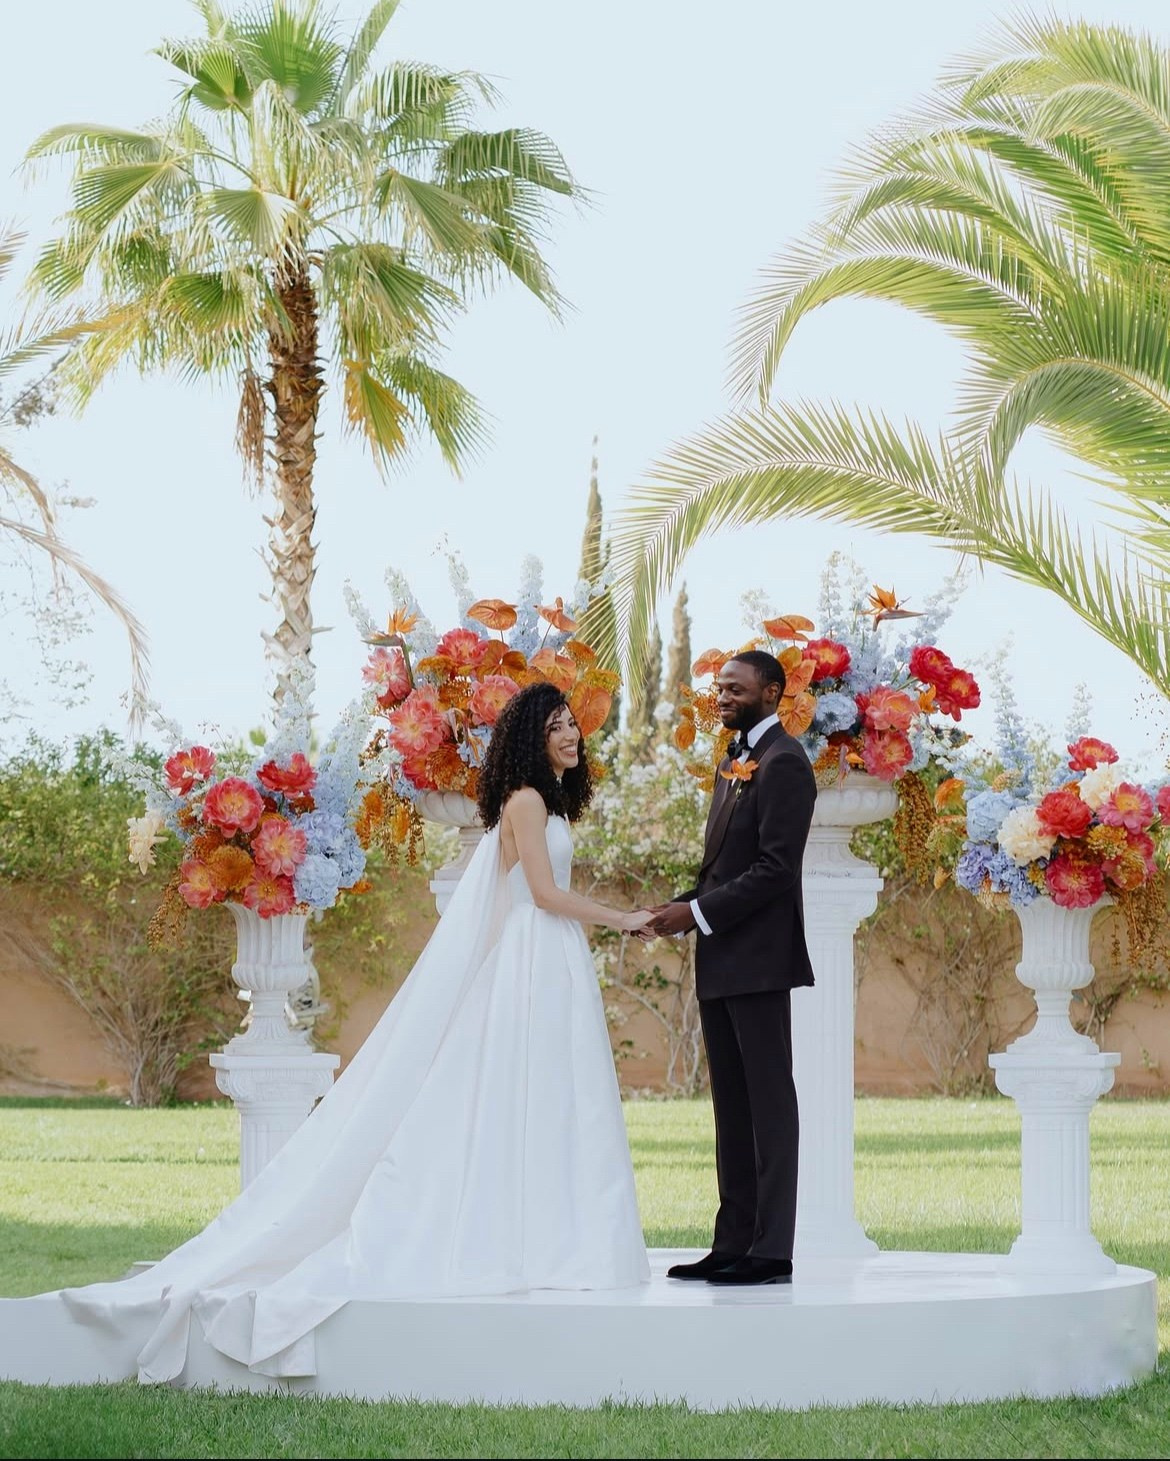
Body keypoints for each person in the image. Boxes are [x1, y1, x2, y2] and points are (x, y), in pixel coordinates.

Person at [48, 681, 654, 1383]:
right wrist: (625, 918)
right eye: (555, 725)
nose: (570, 733)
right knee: (525, 1092)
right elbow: (544, 895)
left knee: (555, 1097)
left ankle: (555, 1241)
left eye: (571, 722)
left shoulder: (547, 800)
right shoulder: (524, 801)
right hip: (535, 955)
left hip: (551, 960)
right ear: (529, 736)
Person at [647, 650, 817, 1286]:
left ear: (772, 692)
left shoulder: (787, 764)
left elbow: (776, 870)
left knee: (770, 1108)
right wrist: (687, 911)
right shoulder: (733, 760)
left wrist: (693, 912)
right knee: (732, 1109)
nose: (721, 696)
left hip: (761, 961)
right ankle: (732, 1242)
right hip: (720, 956)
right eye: (719, 687)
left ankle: (772, 1252)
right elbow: (723, 862)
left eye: (735, 688)